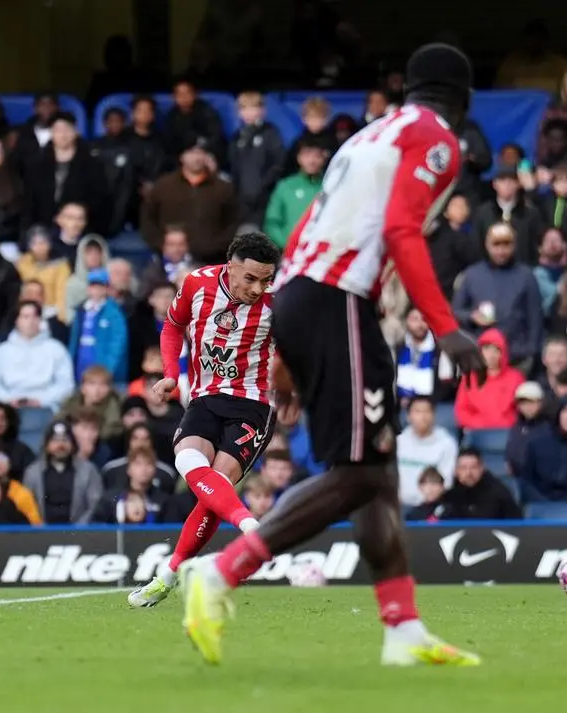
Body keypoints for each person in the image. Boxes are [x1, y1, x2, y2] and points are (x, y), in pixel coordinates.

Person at [178, 43, 486, 668]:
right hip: (337, 301)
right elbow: (401, 231)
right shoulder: (437, 139)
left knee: (380, 473)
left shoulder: (368, 138)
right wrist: (445, 326)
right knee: (361, 475)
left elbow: (302, 231)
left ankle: (402, 631)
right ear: (465, 99)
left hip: (305, 297)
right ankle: (222, 573)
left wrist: (286, 355)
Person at [126, 232, 282, 608]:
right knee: (190, 463)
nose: (258, 288)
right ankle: (249, 528)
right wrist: (168, 372)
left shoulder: (279, 304)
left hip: (253, 405)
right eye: (251, 278)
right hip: (205, 397)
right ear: (231, 267)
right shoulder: (197, 283)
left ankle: (169, 573)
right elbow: (172, 326)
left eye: (266, 279)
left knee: (216, 487)